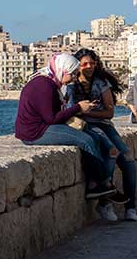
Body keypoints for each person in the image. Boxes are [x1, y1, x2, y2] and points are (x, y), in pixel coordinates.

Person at [15, 54, 114, 199]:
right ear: (63, 70)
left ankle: (94, 184)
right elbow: (51, 118)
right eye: (73, 74)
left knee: (93, 136)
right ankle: (103, 183)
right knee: (86, 140)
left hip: (43, 126)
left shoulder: (50, 82)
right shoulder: (44, 85)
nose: (74, 78)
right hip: (35, 132)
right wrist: (78, 107)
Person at [67, 48, 137, 222]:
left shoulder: (100, 82)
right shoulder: (70, 84)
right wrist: (82, 113)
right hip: (84, 127)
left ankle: (131, 207)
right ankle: (105, 202)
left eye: (92, 63)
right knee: (110, 152)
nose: (89, 67)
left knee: (128, 160)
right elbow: (68, 111)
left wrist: (86, 112)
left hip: (103, 124)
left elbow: (109, 112)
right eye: (84, 64)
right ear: (77, 65)